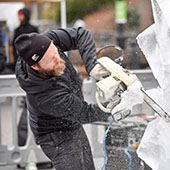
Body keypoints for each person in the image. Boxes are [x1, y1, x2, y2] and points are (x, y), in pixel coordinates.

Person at [14, 27, 115, 170]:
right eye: (51, 60)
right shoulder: (45, 95)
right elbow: (85, 112)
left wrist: (91, 66)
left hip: (71, 122)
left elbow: (81, 34)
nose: (58, 58)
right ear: (36, 67)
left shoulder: (44, 43)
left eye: (55, 50)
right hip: (55, 135)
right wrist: (111, 108)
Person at [12, 7, 38, 148]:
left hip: (33, 68)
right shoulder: (17, 30)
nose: (20, 18)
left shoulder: (33, 29)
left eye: (21, 15)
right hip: (23, 68)